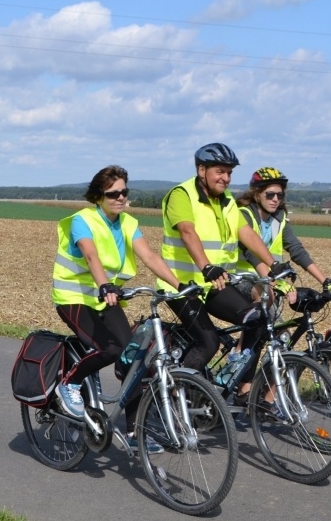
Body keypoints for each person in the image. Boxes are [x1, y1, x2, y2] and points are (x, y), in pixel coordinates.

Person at [52, 165, 182, 452]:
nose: (121, 197)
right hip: (73, 297)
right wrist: (104, 284)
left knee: (135, 357)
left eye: (124, 192)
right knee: (110, 349)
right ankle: (69, 383)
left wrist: (179, 287)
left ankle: (137, 433)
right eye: (113, 194)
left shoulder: (128, 223)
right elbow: (91, 254)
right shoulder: (82, 221)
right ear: (99, 196)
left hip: (104, 298)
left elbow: (149, 255)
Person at [157, 143, 283, 407]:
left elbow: (246, 233)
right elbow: (187, 232)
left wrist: (273, 264)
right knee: (209, 342)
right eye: (220, 171)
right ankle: (175, 400)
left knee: (256, 319)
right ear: (201, 170)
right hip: (182, 286)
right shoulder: (182, 195)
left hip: (214, 284)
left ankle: (231, 372)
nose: (225, 178)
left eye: (229, 173)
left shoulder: (226, 202)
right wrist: (206, 266)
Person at [232, 166, 331, 399]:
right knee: (263, 328)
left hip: (270, 282)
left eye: (280, 195)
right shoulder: (244, 215)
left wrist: (326, 281)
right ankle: (243, 385)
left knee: (280, 340)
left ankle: (268, 399)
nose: (275, 199)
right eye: (270, 194)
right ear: (256, 193)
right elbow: (250, 252)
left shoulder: (279, 218)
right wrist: (274, 279)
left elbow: (297, 250)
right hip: (243, 279)